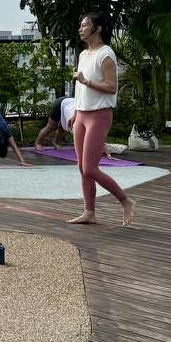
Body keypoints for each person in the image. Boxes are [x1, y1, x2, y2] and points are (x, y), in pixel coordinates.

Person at [71, 12, 136, 226]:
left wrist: (86, 81)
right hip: (81, 115)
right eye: (80, 25)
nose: (80, 29)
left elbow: (112, 87)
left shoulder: (106, 54)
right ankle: (89, 212)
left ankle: (125, 200)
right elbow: (80, 89)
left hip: (99, 115)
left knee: (90, 168)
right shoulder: (83, 54)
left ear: (97, 28)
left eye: (84, 25)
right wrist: (75, 111)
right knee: (82, 168)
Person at [34, 95, 116, 157]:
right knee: (51, 126)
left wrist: (109, 155)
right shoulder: (77, 126)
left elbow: (100, 141)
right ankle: (38, 143)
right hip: (60, 103)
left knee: (62, 128)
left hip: (72, 106)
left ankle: (56, 142)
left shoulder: (91, 126)